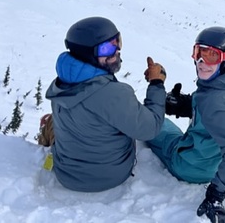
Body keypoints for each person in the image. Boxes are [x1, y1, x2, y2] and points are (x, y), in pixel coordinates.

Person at [45, 16, 167, 192]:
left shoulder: (62, 82)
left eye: (117, 42)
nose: (116, 51)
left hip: (65, 174)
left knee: (51, 122)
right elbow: (150, 128)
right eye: (107, 48)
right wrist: (156, 84)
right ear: (87, 54)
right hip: (108, 177)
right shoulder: (113, 94)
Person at [147, 26, 225, 223]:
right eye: (199, 53)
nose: (202, 62)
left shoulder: (216, 103)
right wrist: (182, 105)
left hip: (191, 165)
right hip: (211, 158)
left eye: (211, 55)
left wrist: (216, 194)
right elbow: (209, 112)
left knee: (153, 123)